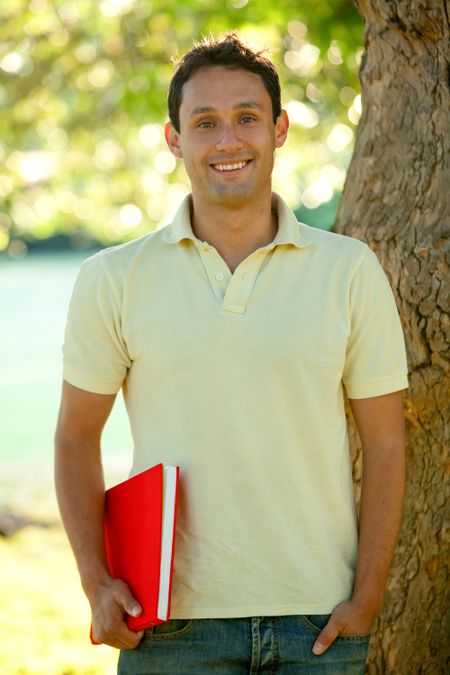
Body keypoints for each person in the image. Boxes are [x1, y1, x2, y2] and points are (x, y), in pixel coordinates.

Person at [55, 32, 408, 674]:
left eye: (247, 118)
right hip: (169, 628)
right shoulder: (112, 278)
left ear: (279, 130)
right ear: (174, 139)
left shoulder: (350, 271)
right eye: (205, 123)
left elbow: (385, 443)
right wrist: (96, 583)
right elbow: (76, 438)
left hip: (318, 625)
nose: (227, 141)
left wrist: (368, 596)